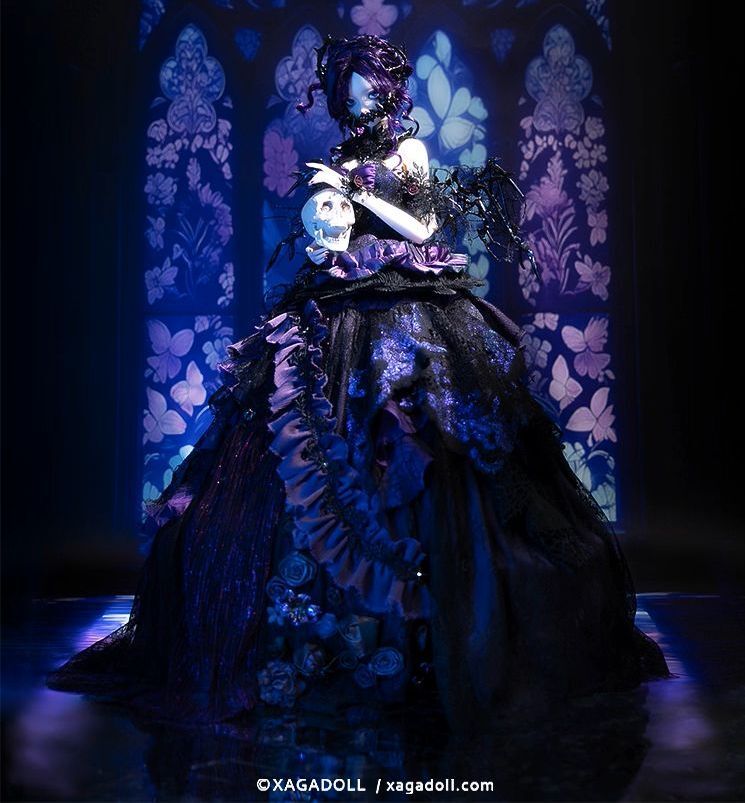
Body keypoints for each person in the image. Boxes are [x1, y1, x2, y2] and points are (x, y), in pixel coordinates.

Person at [47, 34, 670, 732]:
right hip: (341, 295)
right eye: (346, 88)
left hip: (408, 293)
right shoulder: (341, 157)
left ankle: (435, 634)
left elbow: (424, 227)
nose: (355, 97)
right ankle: (317, 636)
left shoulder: (409, 152)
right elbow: (331, 239)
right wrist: (326, 226)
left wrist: (360, 191)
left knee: (426, 437)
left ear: (387, 88)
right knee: (299, 430)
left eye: (365, 84)